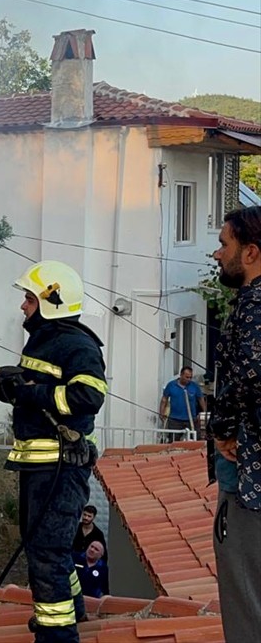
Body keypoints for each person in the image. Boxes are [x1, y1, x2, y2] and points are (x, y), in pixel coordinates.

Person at [0, 260, 107, 643]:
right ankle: (73, 609)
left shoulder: (78, 345)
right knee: (48, 546)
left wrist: (30, 392)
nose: (23, 306)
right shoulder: (44, 341)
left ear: (52, 301)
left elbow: (88, 396)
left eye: (30, 299)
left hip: (61, 465)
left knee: (47, 550)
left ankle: (57, 635)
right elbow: (32, 393)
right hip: (40, 465)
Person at [207, 206, 261, 643]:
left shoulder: (254, 306)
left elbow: (249, 374)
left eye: (225, 244)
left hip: (249, 474)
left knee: (245, 596)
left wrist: (221, 427)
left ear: (251, 253)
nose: (217, 253)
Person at [159, 366, 205, 439]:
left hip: (191, 420)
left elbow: (201, 399)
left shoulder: (194, 386)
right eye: (187, 377)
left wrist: (205, 413)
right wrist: (161, 413)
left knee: (196, 440)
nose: (189, 379)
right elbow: (164, 399)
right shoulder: (171, 385)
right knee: (173, 440)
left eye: (190, 377)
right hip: (175, 420)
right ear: (181, 375)